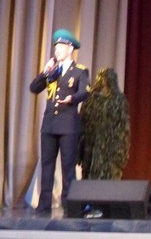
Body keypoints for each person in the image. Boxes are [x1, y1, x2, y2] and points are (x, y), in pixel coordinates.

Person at [29, 29, 90, 214]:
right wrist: (44, 72)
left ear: (70, 48)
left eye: (61, 47)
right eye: (56, 47)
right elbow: (34, 88)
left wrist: (72, 99)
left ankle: (69, 205)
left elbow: (84, 92)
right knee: (46, 166)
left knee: (67, 167)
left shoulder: (79, 71)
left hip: (68, 125)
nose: (57, 50)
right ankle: (44, 205)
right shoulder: (52, 71)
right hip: (49, 125)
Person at [78, 67, 130, 180]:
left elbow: (124, 127)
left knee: (108, 181)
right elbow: (82, 123)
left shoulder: (119, 100)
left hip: (110, 149)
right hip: (91, 148)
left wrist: (122, 151)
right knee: (89, 181)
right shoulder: (91, 99)